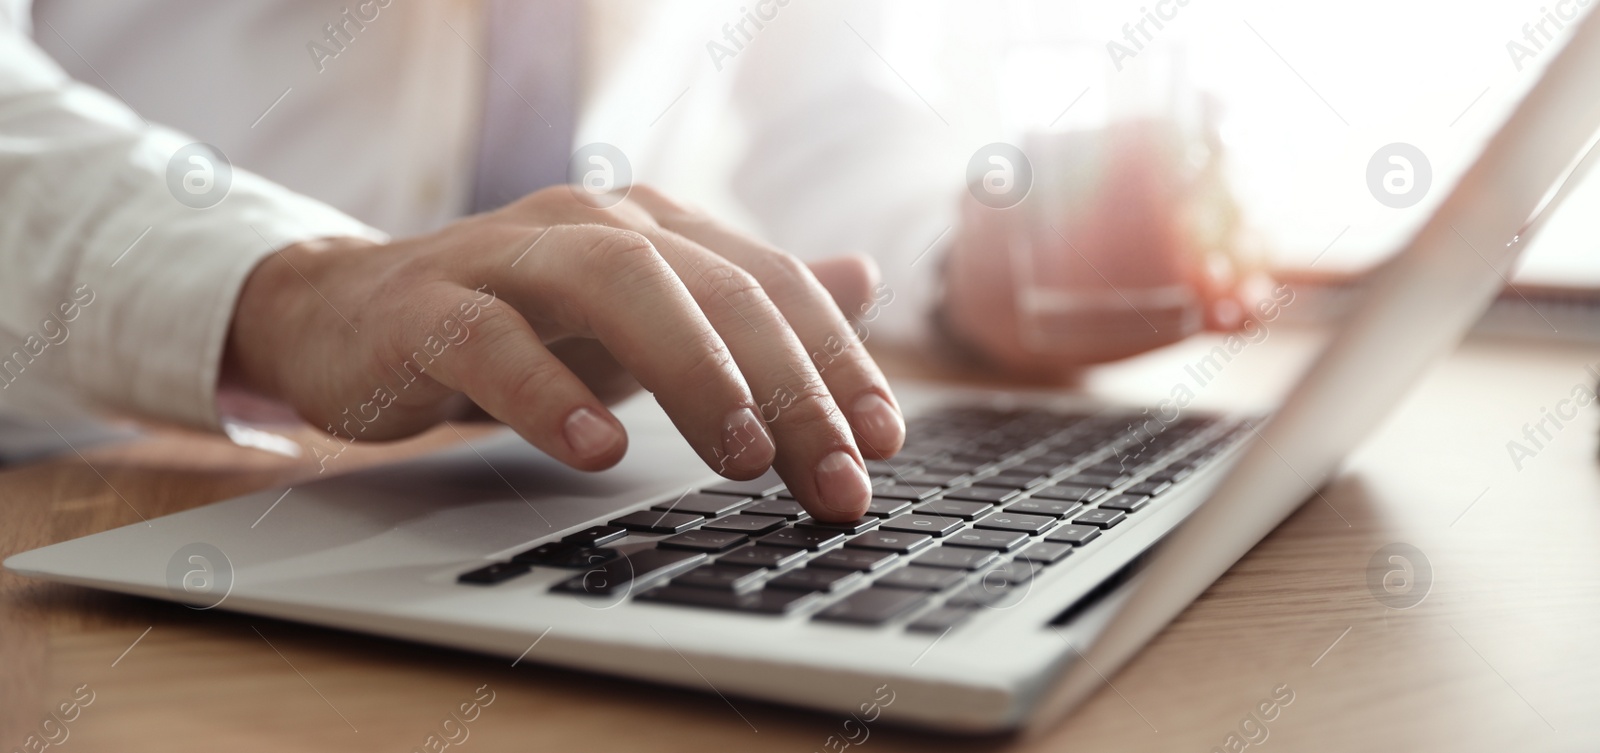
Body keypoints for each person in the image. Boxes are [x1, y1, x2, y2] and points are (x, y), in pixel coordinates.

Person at [0, 0, 1252, 521]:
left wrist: (975, 262)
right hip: (82, 476)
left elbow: (826, 113)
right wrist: (287, 284)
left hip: (493, 500)